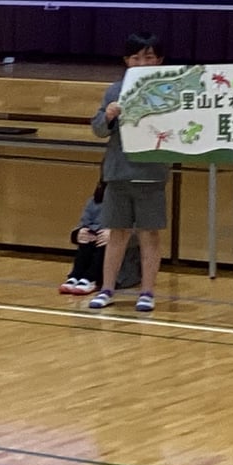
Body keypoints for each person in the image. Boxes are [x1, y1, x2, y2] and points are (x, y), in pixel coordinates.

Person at [88, 32, 169, 311]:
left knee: (149, 234)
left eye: (149, 57)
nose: (142, 63)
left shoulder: (169, 91)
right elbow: (98, 129)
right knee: (117, 233)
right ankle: (107, 289)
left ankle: (147, 292)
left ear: (159, 60)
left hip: (151, 173)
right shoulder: (115, 91)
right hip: (118, 172)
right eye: (136, 58)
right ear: (126, 60)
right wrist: (108, 116)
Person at [59, 180, 141, 295]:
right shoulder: (94, 201)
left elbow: (140, 234)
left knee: (105, 245)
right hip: (95, 237)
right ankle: (76, 276)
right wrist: (80, 233)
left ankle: (92, 278)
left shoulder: (134, 204)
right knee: (86, 242)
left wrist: (115, 235)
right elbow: (84, 222)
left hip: (121, 260)